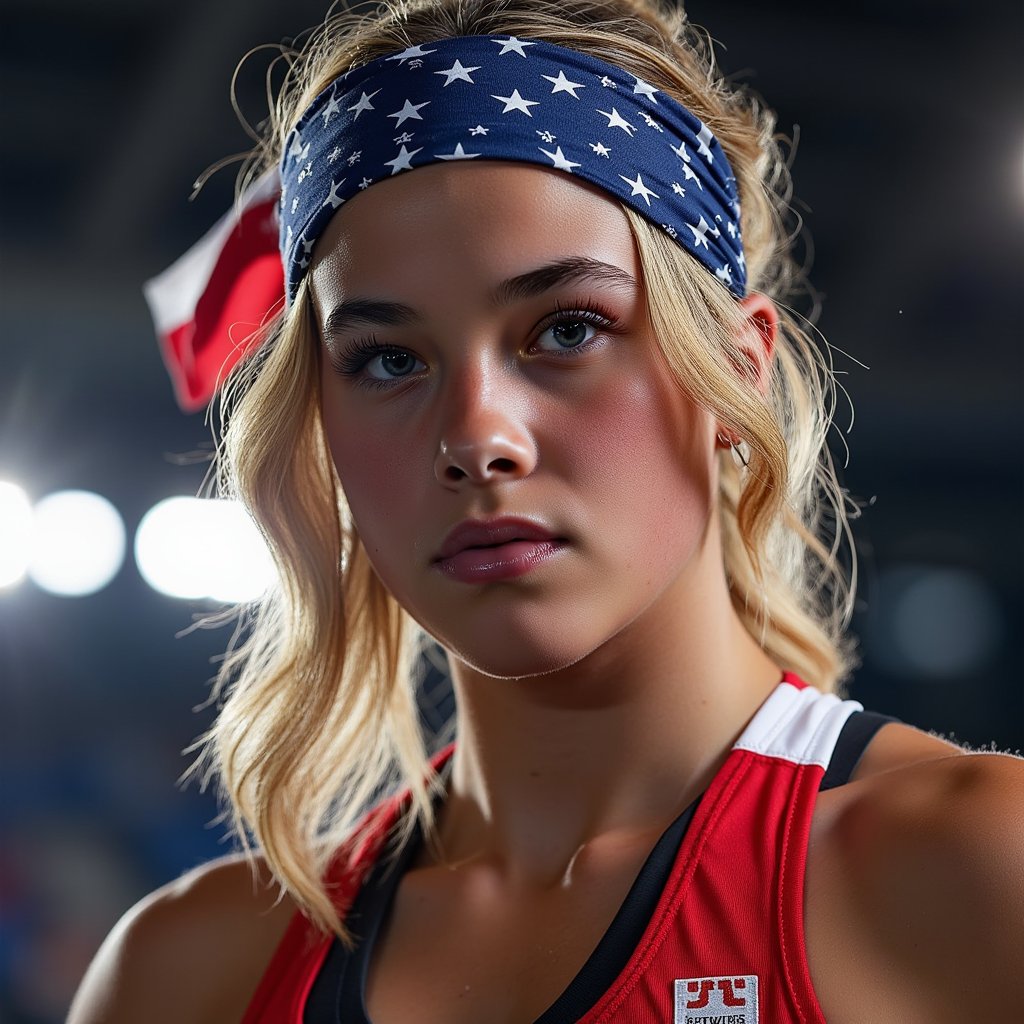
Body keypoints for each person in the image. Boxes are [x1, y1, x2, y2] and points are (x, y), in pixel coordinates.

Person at [69, 1, 1023, 1021]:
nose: (477, 437)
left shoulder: (976, 873)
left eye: (567, 328)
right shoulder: (180, 974)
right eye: (389, 359)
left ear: (734, 375)